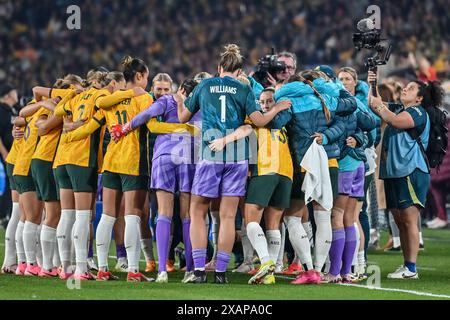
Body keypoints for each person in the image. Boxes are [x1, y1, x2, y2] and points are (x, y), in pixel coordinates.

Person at [175, 44, 291, 284]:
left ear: (219, 68)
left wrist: (179, 100)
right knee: (228, 217)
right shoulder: (244, 88)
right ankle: (220, 273)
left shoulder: (204, 85)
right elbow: (258, 120)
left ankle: (198, 271)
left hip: (211, 152)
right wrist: (277, 108)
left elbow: (182, 117)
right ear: (239, 71)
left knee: (198, 211)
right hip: (238, 157)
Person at [272, 69, 358, 284]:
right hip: (329, 162)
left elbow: (274, 124)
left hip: (304, 164)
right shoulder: (324, 98)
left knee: (292, 217)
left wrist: (274, 106)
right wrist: (326, 136)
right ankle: (319, 270)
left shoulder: (288, 100)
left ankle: (309, 269)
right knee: (323, 216)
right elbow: (344, 118)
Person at [117, 78, 200, 283]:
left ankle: (162, 270)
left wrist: (125, 128)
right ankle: (190, 270)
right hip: (188, 157)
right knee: (188, 214)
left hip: (164, 156)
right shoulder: (199, 105)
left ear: (179, 89)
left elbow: (145, 116)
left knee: (164, 213)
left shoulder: (167, 101)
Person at [208, 87, 294, 285]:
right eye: (262, 102)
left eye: (269, 101)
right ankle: (270, 273)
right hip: (286, 173)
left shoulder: (257, 120)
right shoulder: (284, 121)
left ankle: (265, 262)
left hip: (265, 169)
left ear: (275, 101)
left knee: (251, 219)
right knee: (273, 225)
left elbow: (245, 129)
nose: (265, 105)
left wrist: (225, 140)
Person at [368, 70, 444, 279]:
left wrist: (380, 105)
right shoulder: (401, 109)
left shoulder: (418, 112)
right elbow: (374, 104)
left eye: (411, 88)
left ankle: (411, 268)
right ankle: (406, 265)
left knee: (409, 220)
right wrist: (372, 83)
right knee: (400, 220)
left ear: (419, 98)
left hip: (411, 170)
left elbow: (393, 120)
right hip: (394, 171)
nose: (405, 89)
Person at [0, 83, 20, 273]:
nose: (16, 93)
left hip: (15, 157)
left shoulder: (13, 110)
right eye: (13, 91)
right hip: (13, 158)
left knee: (17, 210)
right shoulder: (2, 110)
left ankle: (11, 261)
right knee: (20, 211)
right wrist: (5, 154)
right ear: (7, 94)